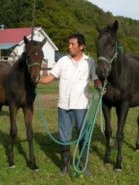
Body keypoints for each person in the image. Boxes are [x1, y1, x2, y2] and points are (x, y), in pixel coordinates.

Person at [39, 33, 101, 176]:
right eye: (69, 44)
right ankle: (64, 166)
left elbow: (95, 79)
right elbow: (51, 77)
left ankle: (83, 166)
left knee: (83, 136)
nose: (69, 47)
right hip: (63, 106)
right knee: (64, 137)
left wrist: (100, 86)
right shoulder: (62, 61)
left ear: (81, 46)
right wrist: (37, 80)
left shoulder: (90, 62)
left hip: (81, 106)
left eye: (72, 44)